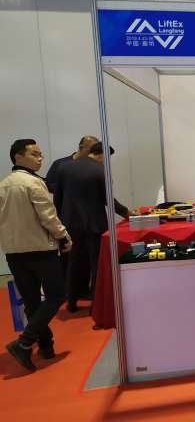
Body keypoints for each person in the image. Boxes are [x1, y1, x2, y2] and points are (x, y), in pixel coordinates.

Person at [0, 139, 72, 372]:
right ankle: (24, 342)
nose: (40, 158)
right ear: (18, 157)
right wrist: (63, 237)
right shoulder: (33, 182)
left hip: (14, 252)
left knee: (32, 302)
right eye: (34, 154)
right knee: (56, 295)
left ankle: (46, 346)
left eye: (40, 154)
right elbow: (48, 216)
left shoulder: (3, 185)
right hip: (40, 249)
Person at [55, 142, 130, 312]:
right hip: (95, 224)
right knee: (96, 263)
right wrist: (126, 213)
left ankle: (71, 302)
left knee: (74, 262)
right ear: (101, 154)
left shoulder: (64, 167)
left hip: (70, 223)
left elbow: (58, 198)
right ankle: (95, 305)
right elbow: (108, 199)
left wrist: (59, 222)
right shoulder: (100, 170)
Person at [45, 135, 98, 291]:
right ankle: (68, 290)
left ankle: (84, 289)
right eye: (92, 149)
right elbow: (48, 184)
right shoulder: (61, 164)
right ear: (81, 147)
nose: (94, 153)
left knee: (87, 257)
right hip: (67, 218)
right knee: (69, 256)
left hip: (89, 218)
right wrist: (69, 186)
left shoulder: (94, 165)